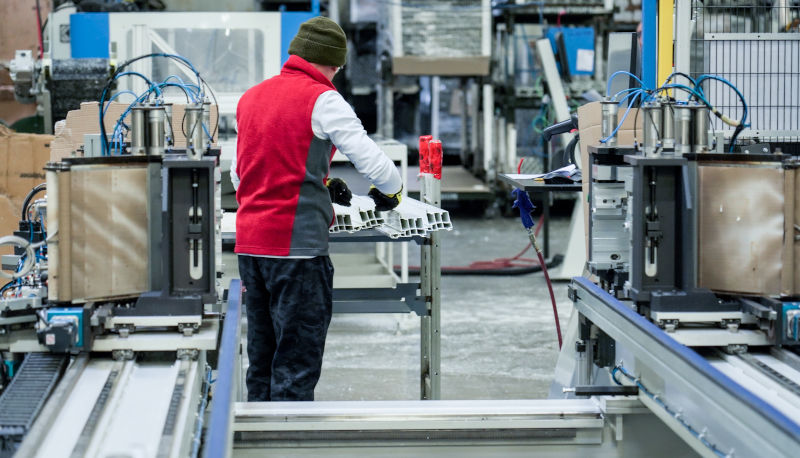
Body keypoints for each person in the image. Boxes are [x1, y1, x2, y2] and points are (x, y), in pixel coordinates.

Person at [232, 16, 403, 402]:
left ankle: (258, 439)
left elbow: (240, 176)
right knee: (295, 363)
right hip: (298, 252)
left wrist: (316, 185)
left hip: (250, 249)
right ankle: (288, 441)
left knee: (262, 359)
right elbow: (375, 164)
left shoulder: (251, 97)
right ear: (334, 64)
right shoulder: (323, 99)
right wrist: (391, 193)